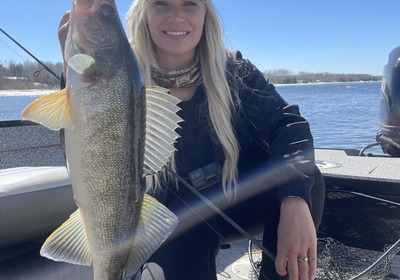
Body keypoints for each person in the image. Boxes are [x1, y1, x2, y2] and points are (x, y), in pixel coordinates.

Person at [58, 0, 325, 279]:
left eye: (189, 4)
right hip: (172, 217)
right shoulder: (118, 76)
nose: (176, 17)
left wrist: (295, 200)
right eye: (161, 3)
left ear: (205, 14)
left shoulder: (234, 70)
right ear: (144, 13)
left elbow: (288, 124)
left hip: (233, 198)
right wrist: (73, 70)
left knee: (308, 182)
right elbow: (86, 150)